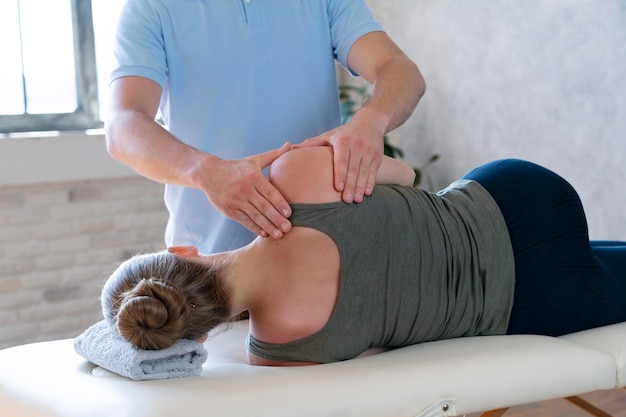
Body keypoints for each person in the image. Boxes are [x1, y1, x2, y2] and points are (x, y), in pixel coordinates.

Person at [101, 146, 626, 365]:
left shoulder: (283, 350)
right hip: (517, 196)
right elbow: (407, 176)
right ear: (182, 250)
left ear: (197, 335)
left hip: (536, 295)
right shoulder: (294, 175)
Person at [104, 0, 426, 253]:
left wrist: (371, 121)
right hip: (209, 269)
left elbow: (399, 70)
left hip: (324, 259)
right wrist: (204, 171)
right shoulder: (149, 7)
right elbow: (123, 124)